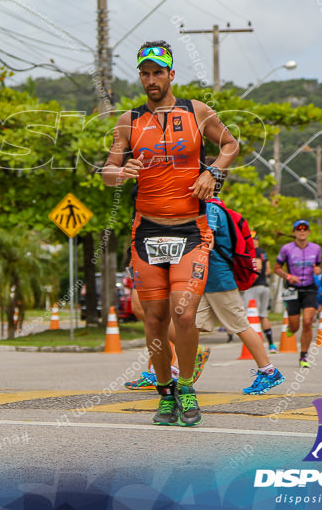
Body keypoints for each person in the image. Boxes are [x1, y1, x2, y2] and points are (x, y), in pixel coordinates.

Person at [101, 41, 238, 427]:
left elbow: (230, 143)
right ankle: (165, 392)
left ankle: (188, 386)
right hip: (147, 232)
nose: (151, 80)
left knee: (184, 311)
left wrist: (213, 172)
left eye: (157, 72)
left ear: (171, 74)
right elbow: (108, 171)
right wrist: (120, 172)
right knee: (155, 317)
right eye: (144, 73)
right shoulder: (128, 122)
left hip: (191, 231)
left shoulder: (196, 112)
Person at [197, 198, 284, 395]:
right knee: (191, 326)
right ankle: (179, 370)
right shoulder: (216, 207)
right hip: (207, 280)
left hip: (218, 279)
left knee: (240, 325)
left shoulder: (209, 209)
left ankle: (268, 371)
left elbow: (206, 241)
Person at [274, 219, 322, 368]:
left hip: (309, 289)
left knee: (308, 322)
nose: (302, 232)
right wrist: (288, 277)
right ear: (294, 232)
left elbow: (318, 267)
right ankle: (291, 328)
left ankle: (304, 356)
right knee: (295, 326)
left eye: (305, 229)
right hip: (293, 290)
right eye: (298, 229)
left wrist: (318, 271)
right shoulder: (286, 249)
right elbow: (277, 268)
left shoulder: (316, 249)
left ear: (308, 232)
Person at [243, 231, 276, 352]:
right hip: (264, 286)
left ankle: (254, 346)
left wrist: (248, 282)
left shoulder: (254, 252)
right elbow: (267, 270)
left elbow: (259, 267)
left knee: (250, 315)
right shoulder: (263, 252)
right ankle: (271, 344)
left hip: (254, 287)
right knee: (263, 315)